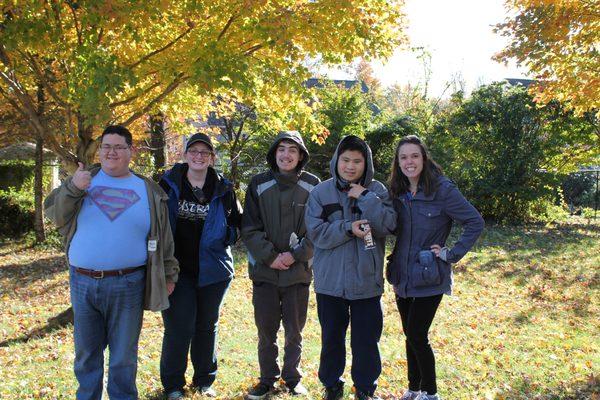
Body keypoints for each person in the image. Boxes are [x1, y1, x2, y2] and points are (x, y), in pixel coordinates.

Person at [44, 125, 179, 400]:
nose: (111, 152)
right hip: (82, 282)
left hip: (129, 283)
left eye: (119, 147)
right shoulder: (83, 180)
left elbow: (163, 238)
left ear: (131, 151)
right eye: (106, 146)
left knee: (123, 357)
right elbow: (55, 216)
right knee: (86, 355)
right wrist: (72, 187)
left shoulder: (149, 191)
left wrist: (169, 274)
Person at [387, 135, 484, 400]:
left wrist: (450, 254)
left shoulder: (442, 190)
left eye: (414, 156)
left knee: (418, 333)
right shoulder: (398, 191)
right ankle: (413, 389)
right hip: (402, 274)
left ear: (424, 158)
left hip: (430, 275)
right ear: (398, 162)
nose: (409, 162)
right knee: (410, 334)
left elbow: (474, 222)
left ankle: (431, 393)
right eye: (403, 157)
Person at [305, 135, 397, 400]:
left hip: (366, 281)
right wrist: (347, 228)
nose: (350, 166)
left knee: (366, 341)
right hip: (330, 282)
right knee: (331, 338)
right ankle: (331, 385)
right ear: (337, 161)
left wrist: (366, 197)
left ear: (365, 163)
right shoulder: (321, 192)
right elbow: (316, 232)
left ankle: (365, 389)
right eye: (345, 160)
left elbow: (389, 225)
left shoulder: (378, 191)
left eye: (357, 161)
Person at [158, 133, 242, 399]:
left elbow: (238, 222)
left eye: (204, 152)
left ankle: (204, 381)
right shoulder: (168, 184)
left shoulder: (224, 188)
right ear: (185, 155)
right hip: (176, 269)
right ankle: (173, 385)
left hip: (213, 270)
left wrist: (225, 237)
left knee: (207, 325)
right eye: (193, 151)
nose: (198, 156)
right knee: (179, 327)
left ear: (211, 158)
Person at [241, 130, 320, 399]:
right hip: (265, 272)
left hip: (298, 273)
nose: (286, 155)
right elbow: (249, 227)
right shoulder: (258, 184)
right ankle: (267, 379)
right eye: (282, 149)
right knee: (266, 331)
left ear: (301, 156)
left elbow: (318, 228)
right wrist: (271, 256)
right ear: (275, 154)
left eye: (293, 150)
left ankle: (292, 378)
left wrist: (295, 255)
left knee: (295, 331)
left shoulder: (313, 185)